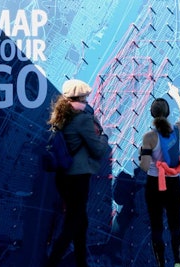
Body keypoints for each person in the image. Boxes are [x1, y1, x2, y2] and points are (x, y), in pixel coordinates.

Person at [45, 79, 109, 267]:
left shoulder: (61, 116)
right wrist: (104, 138)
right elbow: (98, 150)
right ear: (80, 97)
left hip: (63, 177)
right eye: (85, 97)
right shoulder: (82, 119)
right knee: (73, 224)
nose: (87, 100)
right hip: (78, 178)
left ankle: (81, 263)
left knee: (80, 222)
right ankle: (52, 262)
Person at [139, 82, 180, 267]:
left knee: (157, 227)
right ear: (167, 114)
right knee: (175, 225)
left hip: (154, 184)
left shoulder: (149, 137)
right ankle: (178, 262)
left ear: (152, 115)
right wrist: (175, 94)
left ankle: (161, 264)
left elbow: (145, 167)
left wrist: (143, 155)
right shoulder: (176, 130)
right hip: (173, 184)